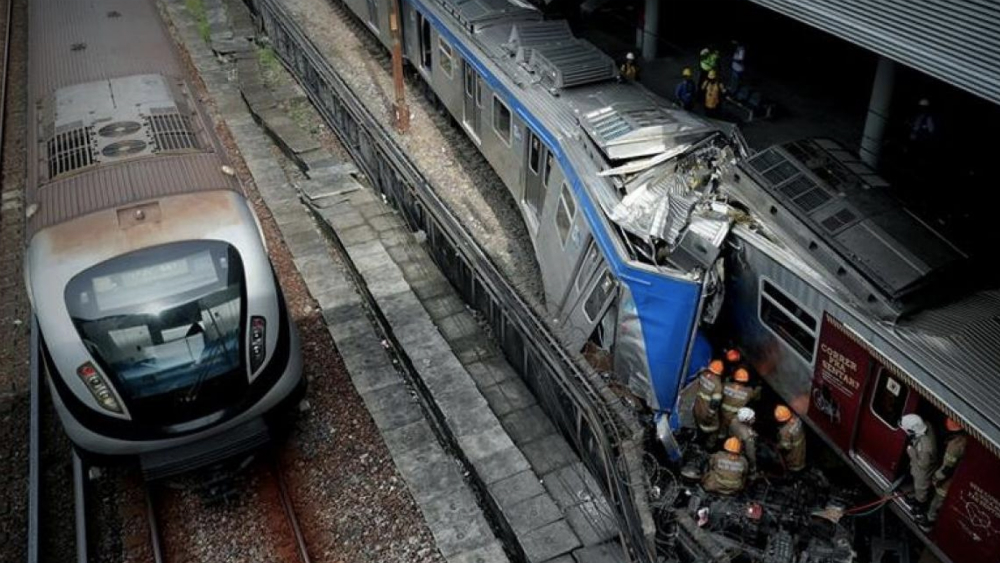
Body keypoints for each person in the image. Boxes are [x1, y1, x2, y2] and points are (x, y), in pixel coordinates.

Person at [920, 418, 965, 530]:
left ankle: (929, 522)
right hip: (954, 476)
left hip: (948, 480)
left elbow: (946, 469)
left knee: (937, 501)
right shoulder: (963, 439)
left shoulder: (955, 446)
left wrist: (936, 478)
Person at [901, 413, 938, 516]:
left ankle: (920, 507)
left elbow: (923, 464)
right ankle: (917, 499)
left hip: (923, 470)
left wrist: (911, 452)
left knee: (921, 488)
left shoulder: (925, 446)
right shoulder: (926, 426)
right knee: (919, 489)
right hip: (925, 463)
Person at [692, 359, 725, 444]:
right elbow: (715, 402)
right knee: (715, 428)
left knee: (698, 425)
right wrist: (710, 414)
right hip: (706, 411)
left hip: (696, 407)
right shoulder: (718, 384)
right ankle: (708, 445)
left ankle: (697, 439)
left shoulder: (703, 374)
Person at [720, 367, 758, 434]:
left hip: (721, 413)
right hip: (734, 418)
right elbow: (756, 397)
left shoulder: (726, 385)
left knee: (721, 429)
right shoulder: (749, 391)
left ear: (735, 377)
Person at [775, 405, 806, 472]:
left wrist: (777, 446)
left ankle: (795, 472)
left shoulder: (784, 431)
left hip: (794, 453)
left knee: (795, 462)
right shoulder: (796, 417)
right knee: (801, 456)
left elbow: (786, 446)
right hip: (802, 444)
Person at [729, 407, 758, 474]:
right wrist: (753, 466)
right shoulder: (748, 436)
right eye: (752, 418)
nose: (754, 418)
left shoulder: (734, 420)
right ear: (746, 421)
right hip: (740, 450)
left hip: (732, 442)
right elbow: (750, 454)